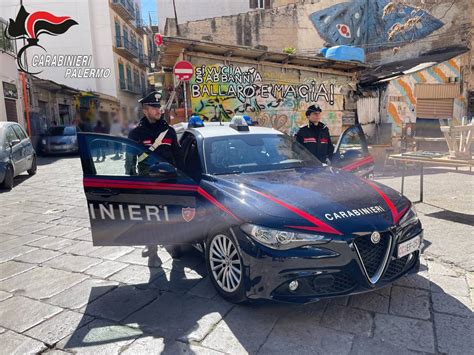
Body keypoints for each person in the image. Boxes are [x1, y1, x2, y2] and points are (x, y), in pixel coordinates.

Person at [125, 90, 183, 175]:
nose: (158, 111)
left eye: (158, 107)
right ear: (145, 111)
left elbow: (178, 157)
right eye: (154, 108)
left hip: (169, 180)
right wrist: (134, 183)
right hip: (147, 182)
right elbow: (130, 163)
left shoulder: (169, 131)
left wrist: (181, 178)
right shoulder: (135, 134)